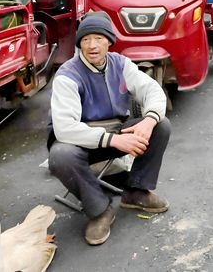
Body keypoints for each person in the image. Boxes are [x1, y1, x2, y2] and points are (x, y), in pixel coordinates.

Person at [48, 12, 171, 246]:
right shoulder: (68, 75)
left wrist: (149, 120)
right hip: (81, 142)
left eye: (98, 39)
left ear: (109, 41)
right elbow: (64, 129)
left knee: (161, 125)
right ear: (79, 44)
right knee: (60, 156)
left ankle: (136, 191)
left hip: (116, 130)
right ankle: (100, 210)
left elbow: (152, 90)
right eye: (85, 40)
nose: (92, 45)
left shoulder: (120, 64)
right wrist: (112, 141)